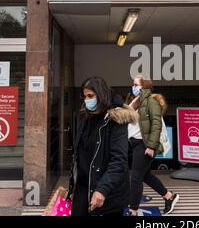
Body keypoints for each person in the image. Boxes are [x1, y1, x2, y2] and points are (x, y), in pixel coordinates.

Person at [68, 77, 137, 216]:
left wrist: (102, 189)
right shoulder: (85, 116)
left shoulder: (116, 119)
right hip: (83, 185)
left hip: (107, 190)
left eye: (90, 96)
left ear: (101, 95)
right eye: (85, 96)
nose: (87, 100)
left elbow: (118, 160)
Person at [127, 75, 180, 216]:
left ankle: (133, 211)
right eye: (133, 84)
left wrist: (151, 146)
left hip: (144, 145)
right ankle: (169, 196)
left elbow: (156, 125)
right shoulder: (136, 102)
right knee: (145, 176)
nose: (134, 87)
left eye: (136, 85)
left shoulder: (151, 102)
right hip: (135, 144)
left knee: (135, 178)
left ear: (145, 86)